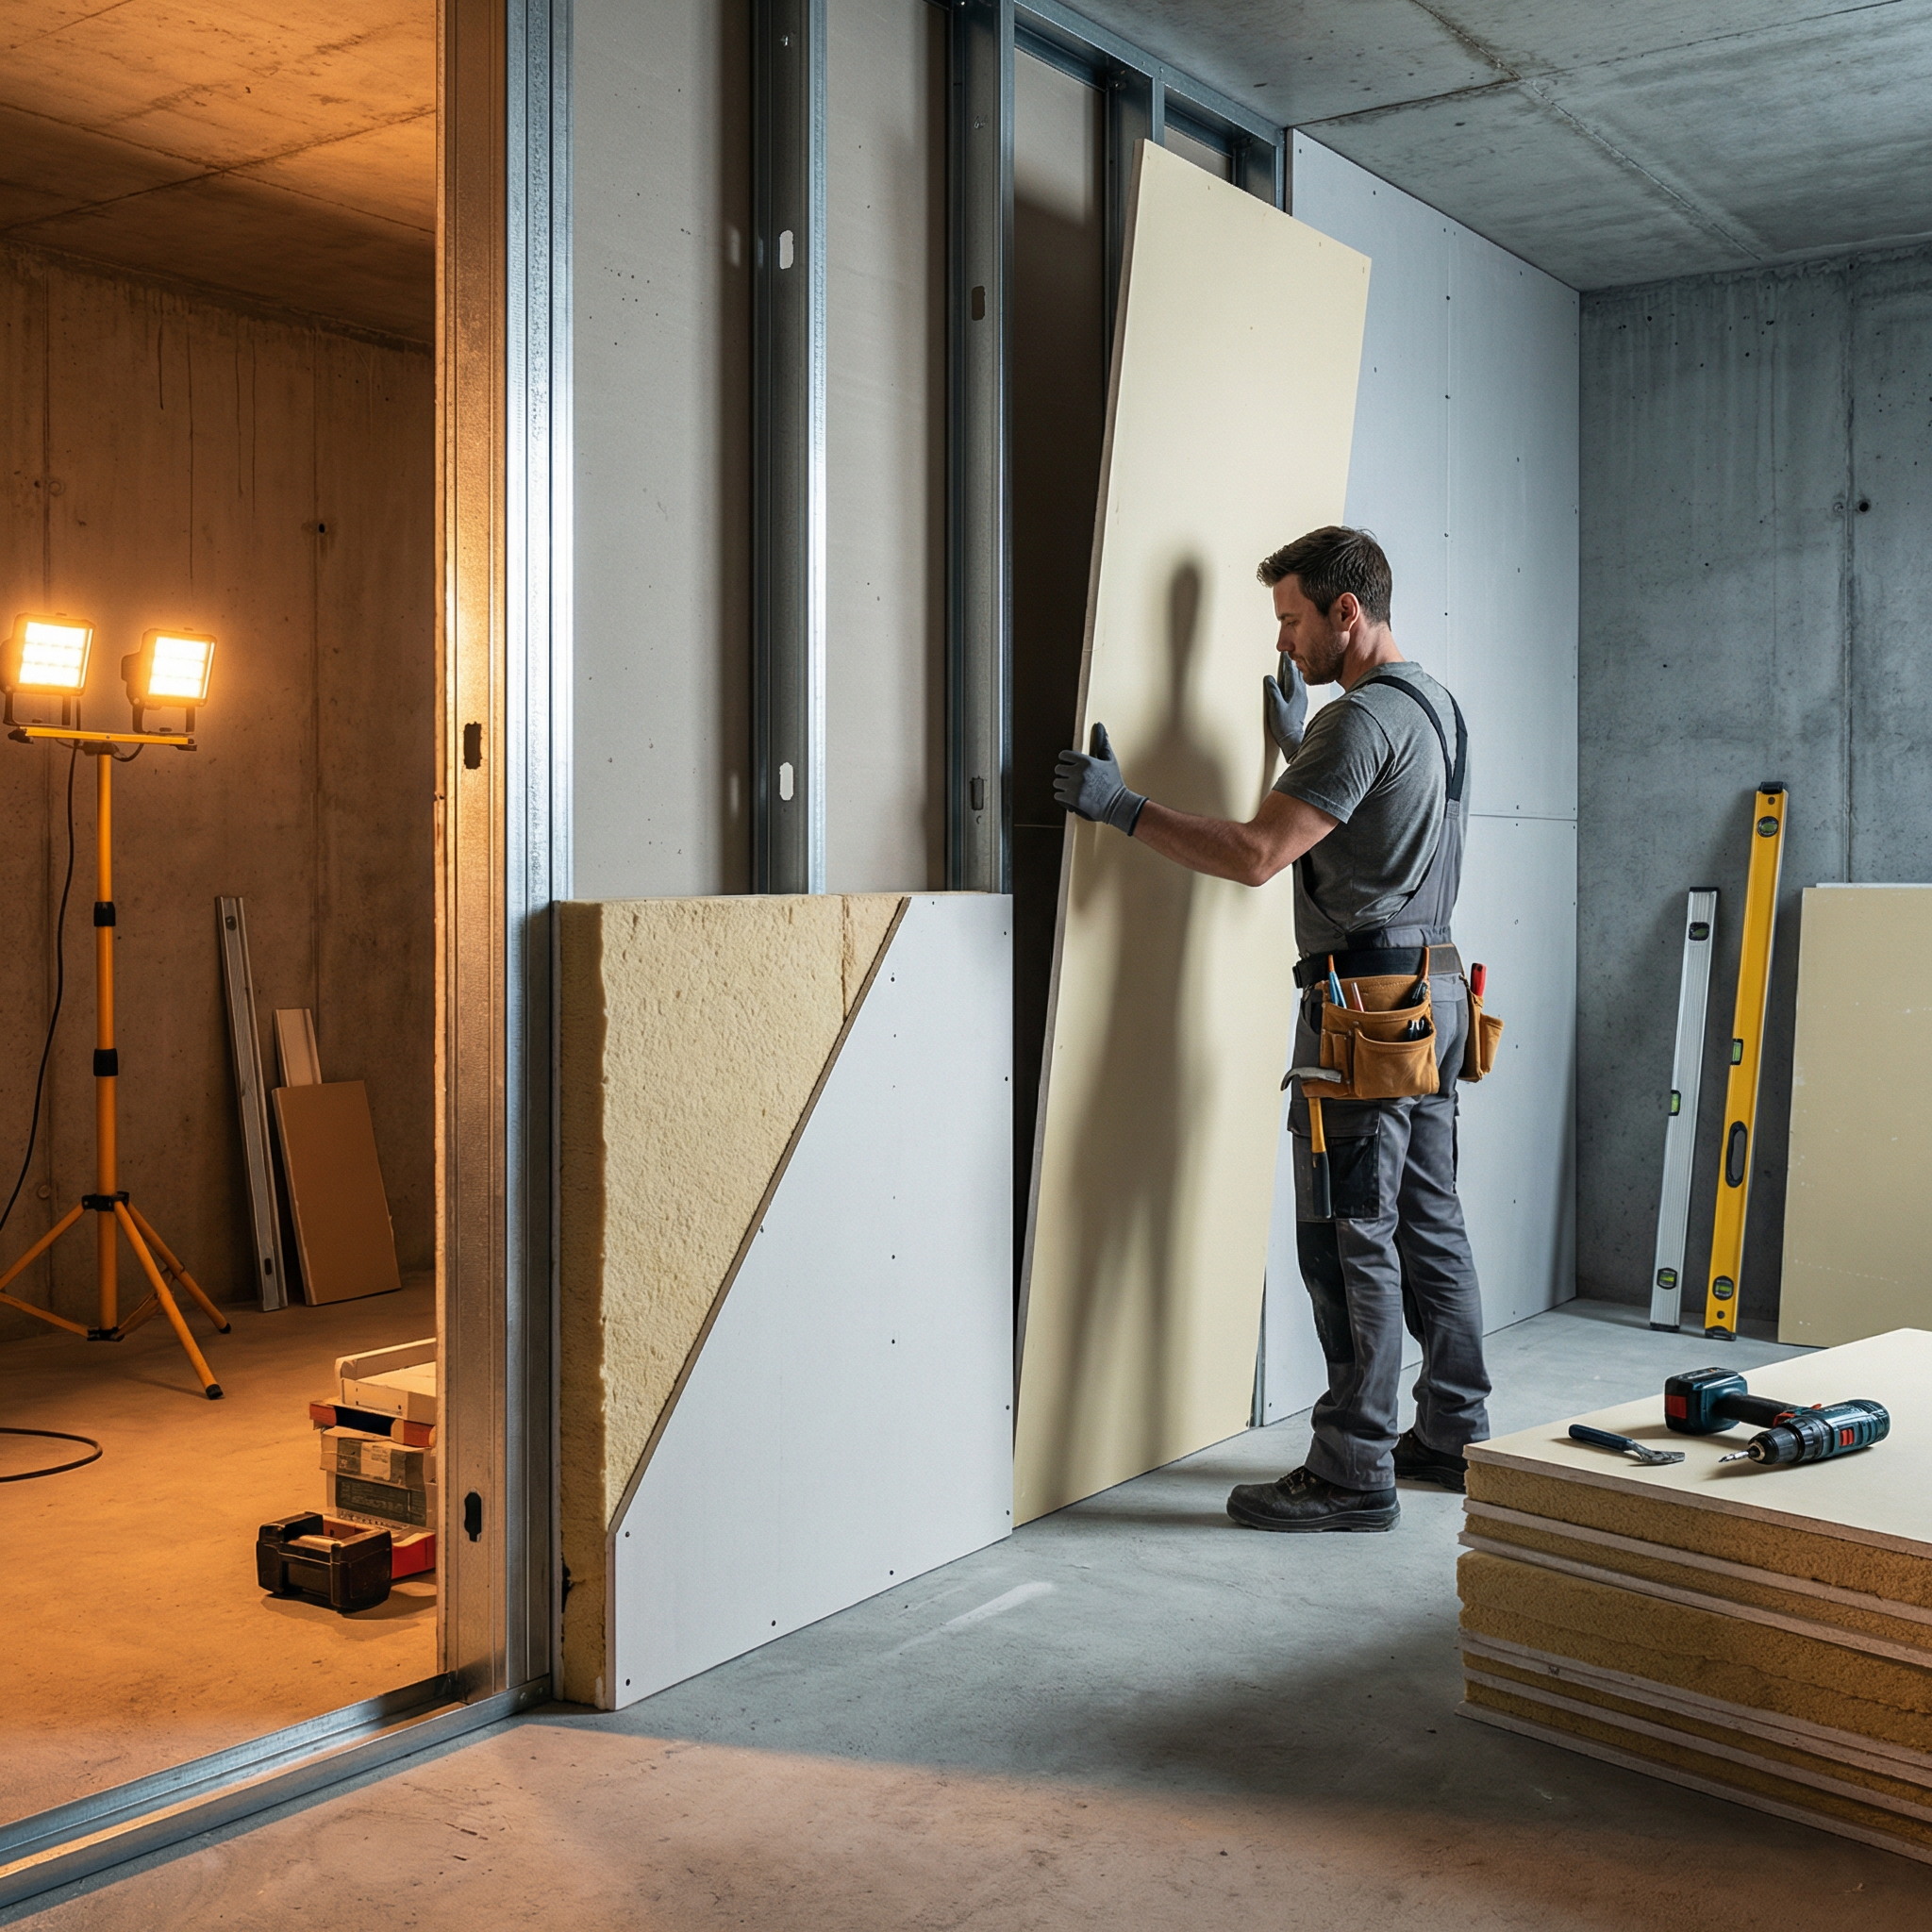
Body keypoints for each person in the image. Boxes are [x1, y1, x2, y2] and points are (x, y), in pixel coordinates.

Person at [1050, 525, 1491, 1533]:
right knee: (1428, 1219)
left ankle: (1349, 1470)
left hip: (1361, 1011)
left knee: (1347, 1235)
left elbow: (1256, 853)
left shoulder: (1357, 724)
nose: (1283, 642)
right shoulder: (1435, 708)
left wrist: (1122, 806)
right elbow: (1380, 822)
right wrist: (1301, 745)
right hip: (1436, 989)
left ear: (1347, 612)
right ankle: (1451, 1432)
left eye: (1291, 620)